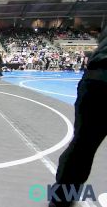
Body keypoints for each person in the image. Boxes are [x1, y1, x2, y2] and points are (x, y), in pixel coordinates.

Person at [49, 28, 107, 207]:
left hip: (96, 79)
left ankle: (60, 200)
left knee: (82, 147)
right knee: (82, 147)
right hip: (100, 77)